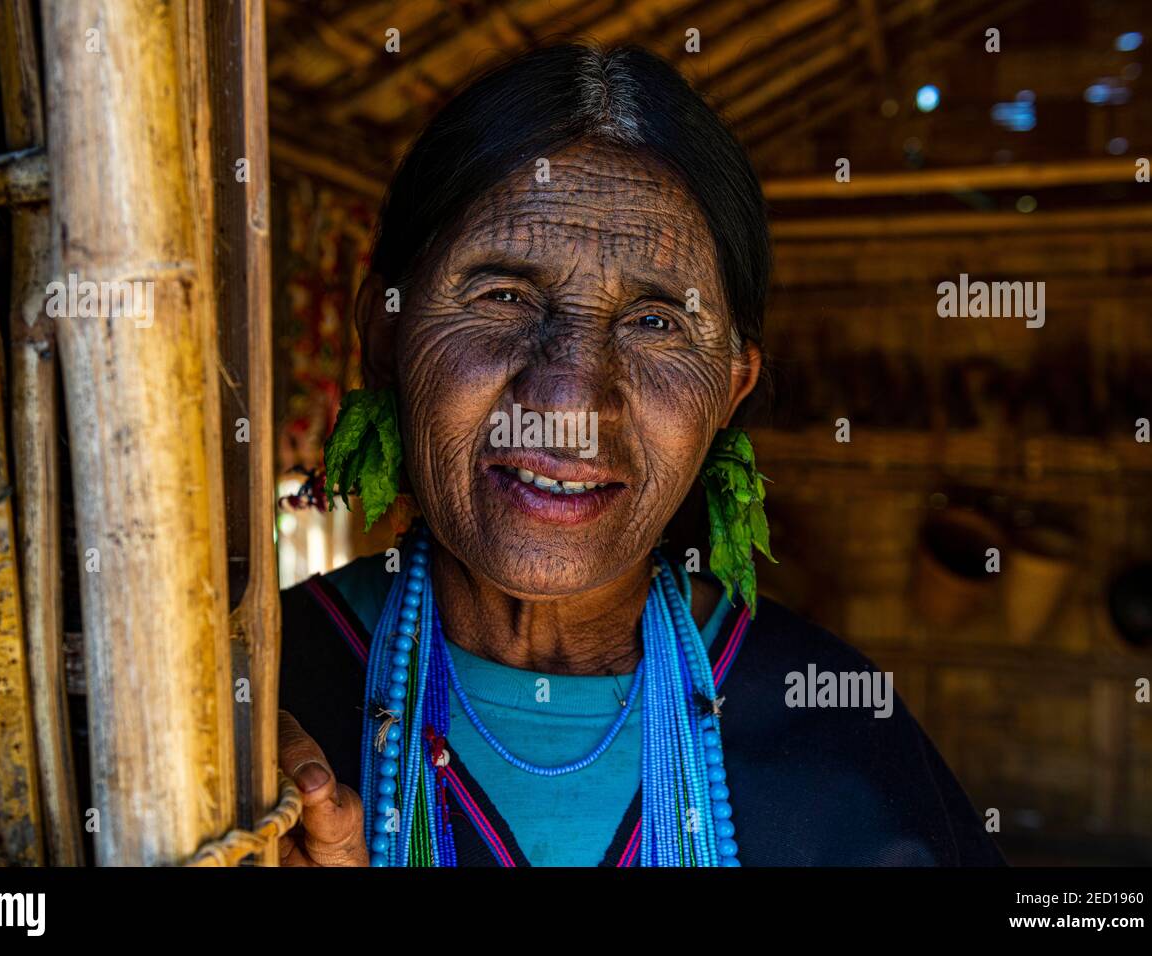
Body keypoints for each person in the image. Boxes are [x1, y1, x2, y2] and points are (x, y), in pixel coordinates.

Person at [276, 43, 1003, 867]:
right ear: (387, 332)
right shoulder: (267, 712)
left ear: (728, 391)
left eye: (656, 323)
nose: (569, 403)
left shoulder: (833, 730)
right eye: (505, 296)